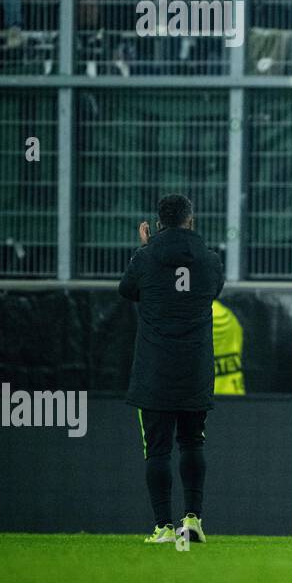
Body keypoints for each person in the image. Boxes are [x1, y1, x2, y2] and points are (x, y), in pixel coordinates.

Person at [118, 194, 225, 545]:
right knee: (193, 443)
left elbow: (127, 290)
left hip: (154, 370)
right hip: (194, 369)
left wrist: (147, 248)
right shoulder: (210, 261)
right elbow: (212, 291)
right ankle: (193, 521)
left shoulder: (146, 257)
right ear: (191, 221)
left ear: (158, 222)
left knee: (158, 449)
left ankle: (163, 527)